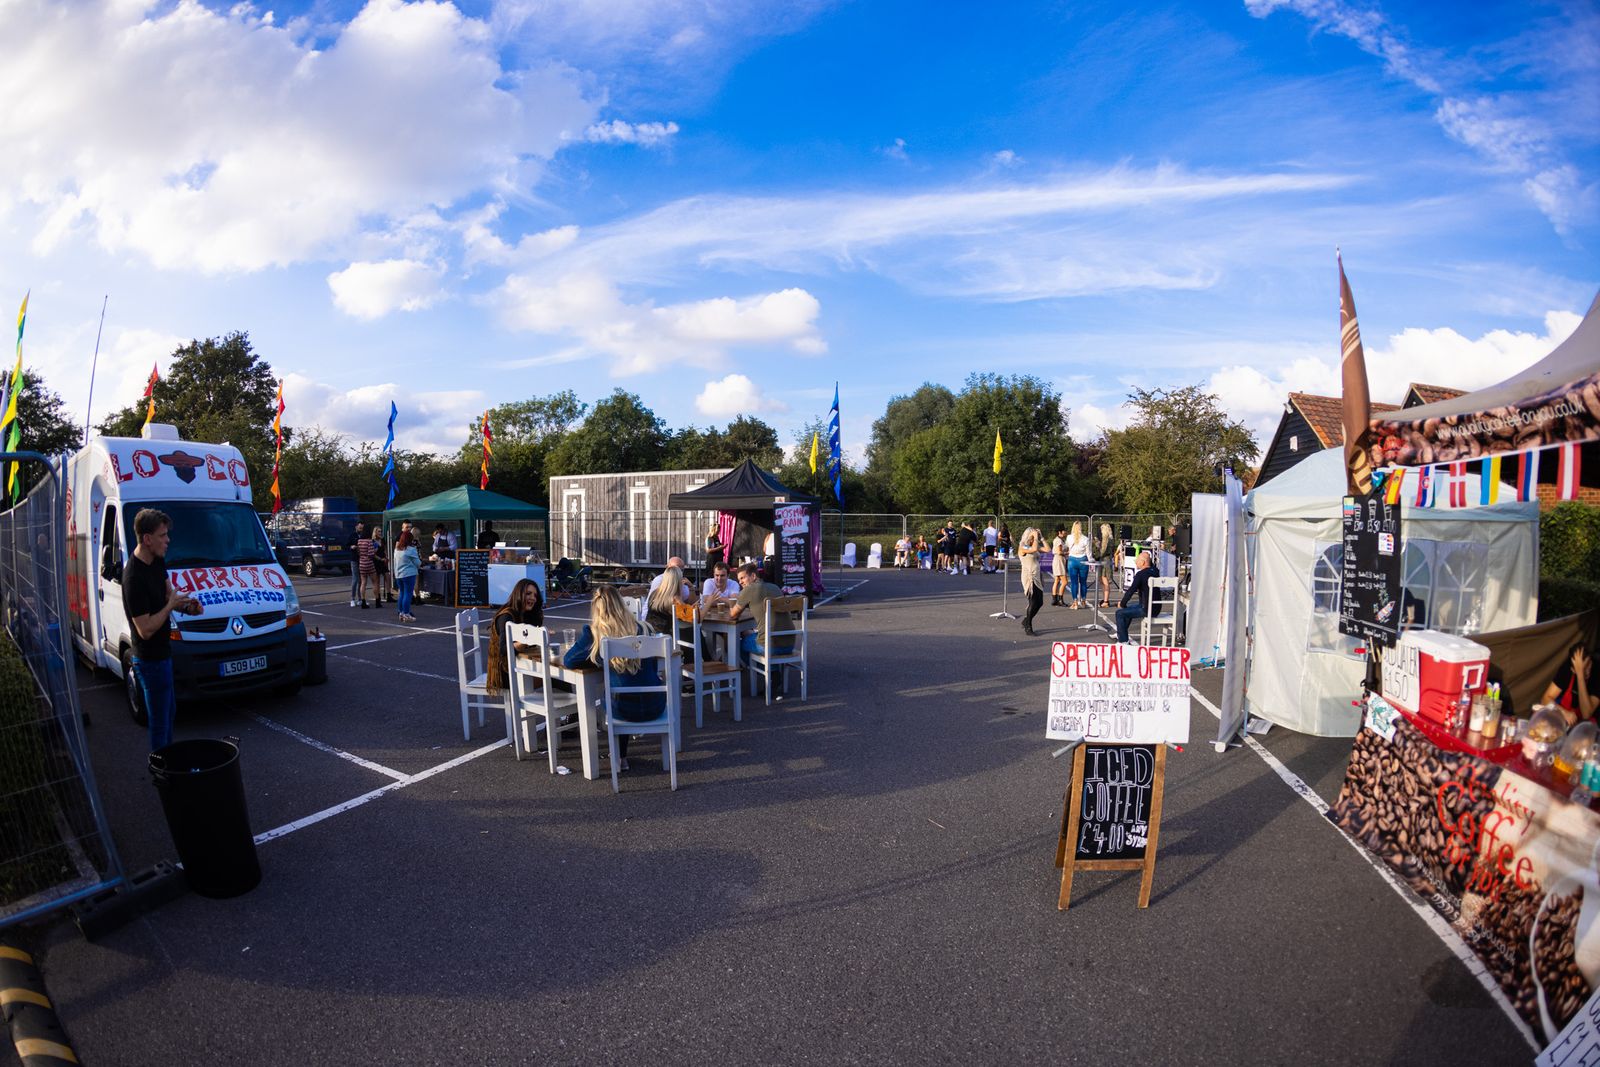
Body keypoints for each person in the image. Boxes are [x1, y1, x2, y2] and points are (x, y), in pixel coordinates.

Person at [122, 508, 201, 751]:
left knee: (169, 714)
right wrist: (170, 606)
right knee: (159, 724)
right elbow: (145, 629)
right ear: (147, 539)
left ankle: (168, 763)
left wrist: (189, 607)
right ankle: (161, 767)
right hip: (149, 661)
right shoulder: (133, 578)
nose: (168, 540)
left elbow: (169, 595)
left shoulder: (156, 561)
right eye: (162, 535)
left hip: (164, 655)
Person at [563, 586, 663, 773]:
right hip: (656, 705)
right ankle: (621, 755)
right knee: (627, 687)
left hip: (624, 710)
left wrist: (599, 658)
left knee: (615, 694)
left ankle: (619, 758)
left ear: (596, 607)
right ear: (621, 603)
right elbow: (653, 668)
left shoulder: (596, 634)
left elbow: (569, 661)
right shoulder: (646, 629)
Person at [487, 578, 545, 695]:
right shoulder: (506, 616)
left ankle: (560, 707)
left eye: (535, 595)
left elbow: (532, 645)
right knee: (556, 677)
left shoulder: (527, 614)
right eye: (528, 594)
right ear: (518, 594)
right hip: (505, 674)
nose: (533, 598)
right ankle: (564, 708)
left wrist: (539, 634)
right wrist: (528, 640)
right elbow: (503, 650)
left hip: (521, 667)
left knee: (557, 675)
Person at [730, 561, 796, 658]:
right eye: (739, 579)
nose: (740, 582)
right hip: (789, 645)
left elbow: (733, 615)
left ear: (753, 576)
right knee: (750, 634)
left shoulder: (748, 589)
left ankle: (759, 667)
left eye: (742, 578)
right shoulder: (775, 587)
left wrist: (730, 604)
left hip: (769, 646)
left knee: (736, 645)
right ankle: (771, 667)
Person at [1544, 643, 1599, 725]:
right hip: (1567, 718)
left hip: (1589, 724)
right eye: (1583, 669)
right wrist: (1563, 712)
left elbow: (1586, 714)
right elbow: (1545, 699)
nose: (1587, 671)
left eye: (1588, 664)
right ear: (1573, 669)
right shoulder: (1567, 668)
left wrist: (1580, 673)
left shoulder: (1597, 671)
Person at [1116, 551, 1162, 644]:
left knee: (1119, 613)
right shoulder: (1155, 571)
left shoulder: (1140, 575)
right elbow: (1150, 564)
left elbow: (1130, 591)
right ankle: (1121, 634)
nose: (1135, 562)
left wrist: (1122, 603)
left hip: (1146, 609)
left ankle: (1123, 641)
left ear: (1143, 562)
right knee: (1128, 609)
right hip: (1157, 608)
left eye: (1137, 560)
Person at [646, 565, 694, 635]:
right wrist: (708, 602)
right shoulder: (675, 599)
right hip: (665, 638)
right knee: (691, 632)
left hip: (649, 633)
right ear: (678, 581)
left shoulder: (654, 593)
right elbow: (692, 618)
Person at [1017, 526, 1044, 636]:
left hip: (1037, 576)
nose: (1034, 539)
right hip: (1029, 576)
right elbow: (1033, 550)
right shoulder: (1022, 547)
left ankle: (1026, 620)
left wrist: (1041, 538)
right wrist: (1035, 537)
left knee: (1040, 602)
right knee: (1033, 602)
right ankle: (1028, 626)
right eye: (1032, 537)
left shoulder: (1034, 545)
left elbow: (1048, 550)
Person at [392, 529, 421, 623]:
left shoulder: (397, 550)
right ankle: (407, 614)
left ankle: (401, 613)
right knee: (408, 594)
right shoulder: (411, 550)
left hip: (398, 574)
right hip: (409, 574)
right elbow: (418, 563)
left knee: (402, 593)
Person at [1066, 522, 1091, 609]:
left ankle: (1075, 602)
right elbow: (1088, 553)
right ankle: (1083, 601)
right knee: (1083, 582)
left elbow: (1067, 547)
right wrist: (1091, 561)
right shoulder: (1085, 539)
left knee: (1074, 583)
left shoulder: (1069, 537)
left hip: (1072, 560)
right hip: (1083, 560)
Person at [355, 524, 378, 608]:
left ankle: (363, 601)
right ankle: (377, 601)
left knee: (363, 583)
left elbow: (358, 552)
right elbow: (371, 554)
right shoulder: (369, 541)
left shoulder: (359, 541)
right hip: (369, 563)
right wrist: (375, 550)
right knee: (374, 582)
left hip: (362, 563)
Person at [1095, 523, 1117, 609]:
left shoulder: (1106, 538)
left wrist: (1097, 555)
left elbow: (1103, 551)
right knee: (1103, 580)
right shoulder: (1111, 538)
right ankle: (1105, 599)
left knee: (1105, 581)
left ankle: (1106, 601)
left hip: (1105, 559)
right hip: (1107, 559)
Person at [349, 520, 367, 608]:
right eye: (360, 528)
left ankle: (360, 599)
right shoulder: (352, 535)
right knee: (355, 579)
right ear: (356, 527)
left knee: (361, 580)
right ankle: (352, 599)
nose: (361, 529)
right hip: (354, 560)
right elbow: (347, 545)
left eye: (362, 528)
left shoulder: (364, 535)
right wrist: (351, 546)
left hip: (362, 559)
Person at [1050, 525, 1069, 606]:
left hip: (1058, 560)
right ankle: (1060, 600)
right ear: (1060, 532)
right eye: (1064, 530)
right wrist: (1068, 553)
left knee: (1057, 580)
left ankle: (1054, 599)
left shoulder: (1060, 540)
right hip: (1059, 560)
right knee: (1064, 582)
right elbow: (1059, 551)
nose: (1065, 532)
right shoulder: (1058, 540)